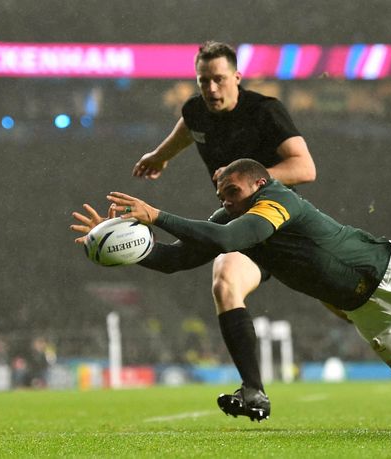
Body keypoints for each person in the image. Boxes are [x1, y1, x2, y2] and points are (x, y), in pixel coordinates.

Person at [72, 158, 391, 427]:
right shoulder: (230, 215)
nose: (224, 203)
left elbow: (231, 240)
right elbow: (170, 261)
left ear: (257, 185)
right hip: (362, 308)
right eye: (220, 197)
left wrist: (158, 214)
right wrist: (118, 244)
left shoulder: (278, 203)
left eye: (231, 193)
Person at [130, 41, 316, 416]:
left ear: (237, 77)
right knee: (224, 278)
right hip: (236, 219)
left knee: (345, 303)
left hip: (279, 221)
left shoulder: (265, 111)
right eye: (203, 82)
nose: (211, 90)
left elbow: (305, 168)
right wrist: (159, 155)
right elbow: (189, 127)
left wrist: (247, 181)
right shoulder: (196, 110)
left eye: (218, 80)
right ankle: (254, 392)